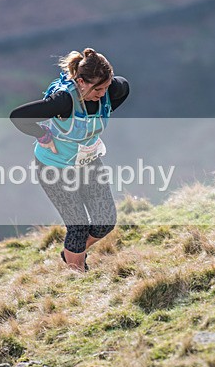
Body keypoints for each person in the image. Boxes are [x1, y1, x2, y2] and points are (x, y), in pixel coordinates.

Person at [10, 48, 130, 272]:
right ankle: (76, 276)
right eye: (98, 89)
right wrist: (43, 136)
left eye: (106, 87)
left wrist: (105, 109)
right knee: (78, 227)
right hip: (54, 167)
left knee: (105, 222)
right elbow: (18, 117)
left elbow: (124, 87)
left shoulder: (109, 91)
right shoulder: (64, 100)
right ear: (81, 82)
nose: (103, 94)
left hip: (88, 163)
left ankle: (72, 253)